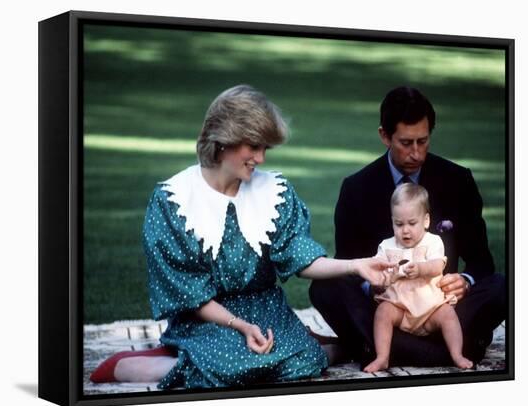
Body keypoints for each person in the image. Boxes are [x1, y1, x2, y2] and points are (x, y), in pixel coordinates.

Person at [90, 85, 392, 389]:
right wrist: (241, 326)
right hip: (205, 317)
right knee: (232, 368)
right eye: (253, 147)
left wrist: (356, 265)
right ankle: (151, 363)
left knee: (306, 363)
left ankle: (298, 344)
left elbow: (300, 257)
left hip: (265, 308)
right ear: (224, 141)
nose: (260, 158)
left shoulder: (274, 193)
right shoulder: (174, 201)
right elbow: (189, 295)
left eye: (265, 148)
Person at [309, 86, 506, 368]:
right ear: (385, 136)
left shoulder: (458, 180)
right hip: (387, 308)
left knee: (501, 286)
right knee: (324, 288)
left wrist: (465, 281)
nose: (416, 153)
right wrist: (372, 287)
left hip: (441, 308)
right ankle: (450, 350)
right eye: (406, 143)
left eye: (423, 142)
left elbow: (482, 261)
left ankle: (374, 348)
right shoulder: (356, 188)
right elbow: (348, 263)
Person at [364, 183, 472, 373]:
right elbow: (377, 267)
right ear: (392, 222)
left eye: (412, 223)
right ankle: (382, 357)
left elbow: (438, 265)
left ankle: (457, 354)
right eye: (399, 224)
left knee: (448, 314)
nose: (405, 230)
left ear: (426, 220)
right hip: (401, 309)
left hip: (430, 309)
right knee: (383, 312)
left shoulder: (432, 241)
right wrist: (382, 276)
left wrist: (422, 268)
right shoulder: (387, 246)